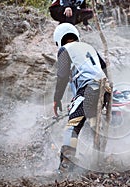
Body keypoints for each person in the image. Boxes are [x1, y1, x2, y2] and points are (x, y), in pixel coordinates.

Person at [52, 23, 111, 172]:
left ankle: (65, 167)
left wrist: (57, 99)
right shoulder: (89, 47)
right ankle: (97, 162)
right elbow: (103, 67)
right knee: (94, 124)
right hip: (104, 88)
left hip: (89, 89)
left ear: (59, 39)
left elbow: (62, 75)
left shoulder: (65, 49)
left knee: (72, 127)